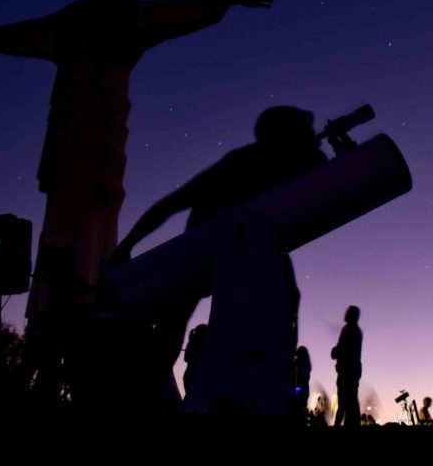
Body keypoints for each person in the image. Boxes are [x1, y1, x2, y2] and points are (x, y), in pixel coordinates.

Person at [0, 0, 271, 401]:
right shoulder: (126, 16)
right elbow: (176, 12)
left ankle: (70, 310)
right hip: (94, 144)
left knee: (73, 220)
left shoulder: (74, 20)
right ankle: (78, 307)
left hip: (78, 141)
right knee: (85, 217)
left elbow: (26, 32)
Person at [110, 106, 327, 395]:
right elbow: (175, 202)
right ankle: (143, 392)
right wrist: (126, 245)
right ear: (283, 135)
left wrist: (128, 244)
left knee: (173, 324)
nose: (313, 137)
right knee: (169, 328)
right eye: (305, 132)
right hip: (205, 254)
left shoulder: (291, 162)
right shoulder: (241, 163)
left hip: (242, 253)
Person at [331, 305, 363, 428]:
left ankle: (341, 424)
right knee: (350, 401)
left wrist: (335, 352)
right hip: (352, 371)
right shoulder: (354, 330)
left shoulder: (349, 330)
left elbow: (342, 349)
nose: (344, 313)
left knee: (345, 400)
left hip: (347, 372)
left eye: (347, 312)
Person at [293, 346, 312, 421]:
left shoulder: (301, 364)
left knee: (298, 410)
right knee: (302, 410)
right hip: (304, 390)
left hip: (300, 390)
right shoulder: (306, 365)